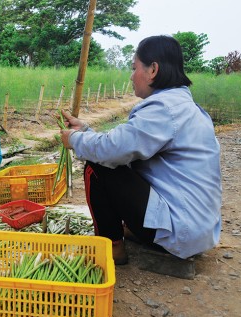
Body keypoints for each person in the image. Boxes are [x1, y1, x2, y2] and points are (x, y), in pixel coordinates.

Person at [60, 35, 222, 265]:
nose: (131, 75)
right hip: (198, 230)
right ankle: (140, 232)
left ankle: (112, 246)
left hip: (181, 231)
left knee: (98, 165)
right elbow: (126, 143)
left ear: (153, 69)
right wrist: (85, 130)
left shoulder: (164, 109)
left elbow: (111, 151)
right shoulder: (187, 107)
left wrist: (75, 139)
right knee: (111, 157)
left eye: (134, 67)